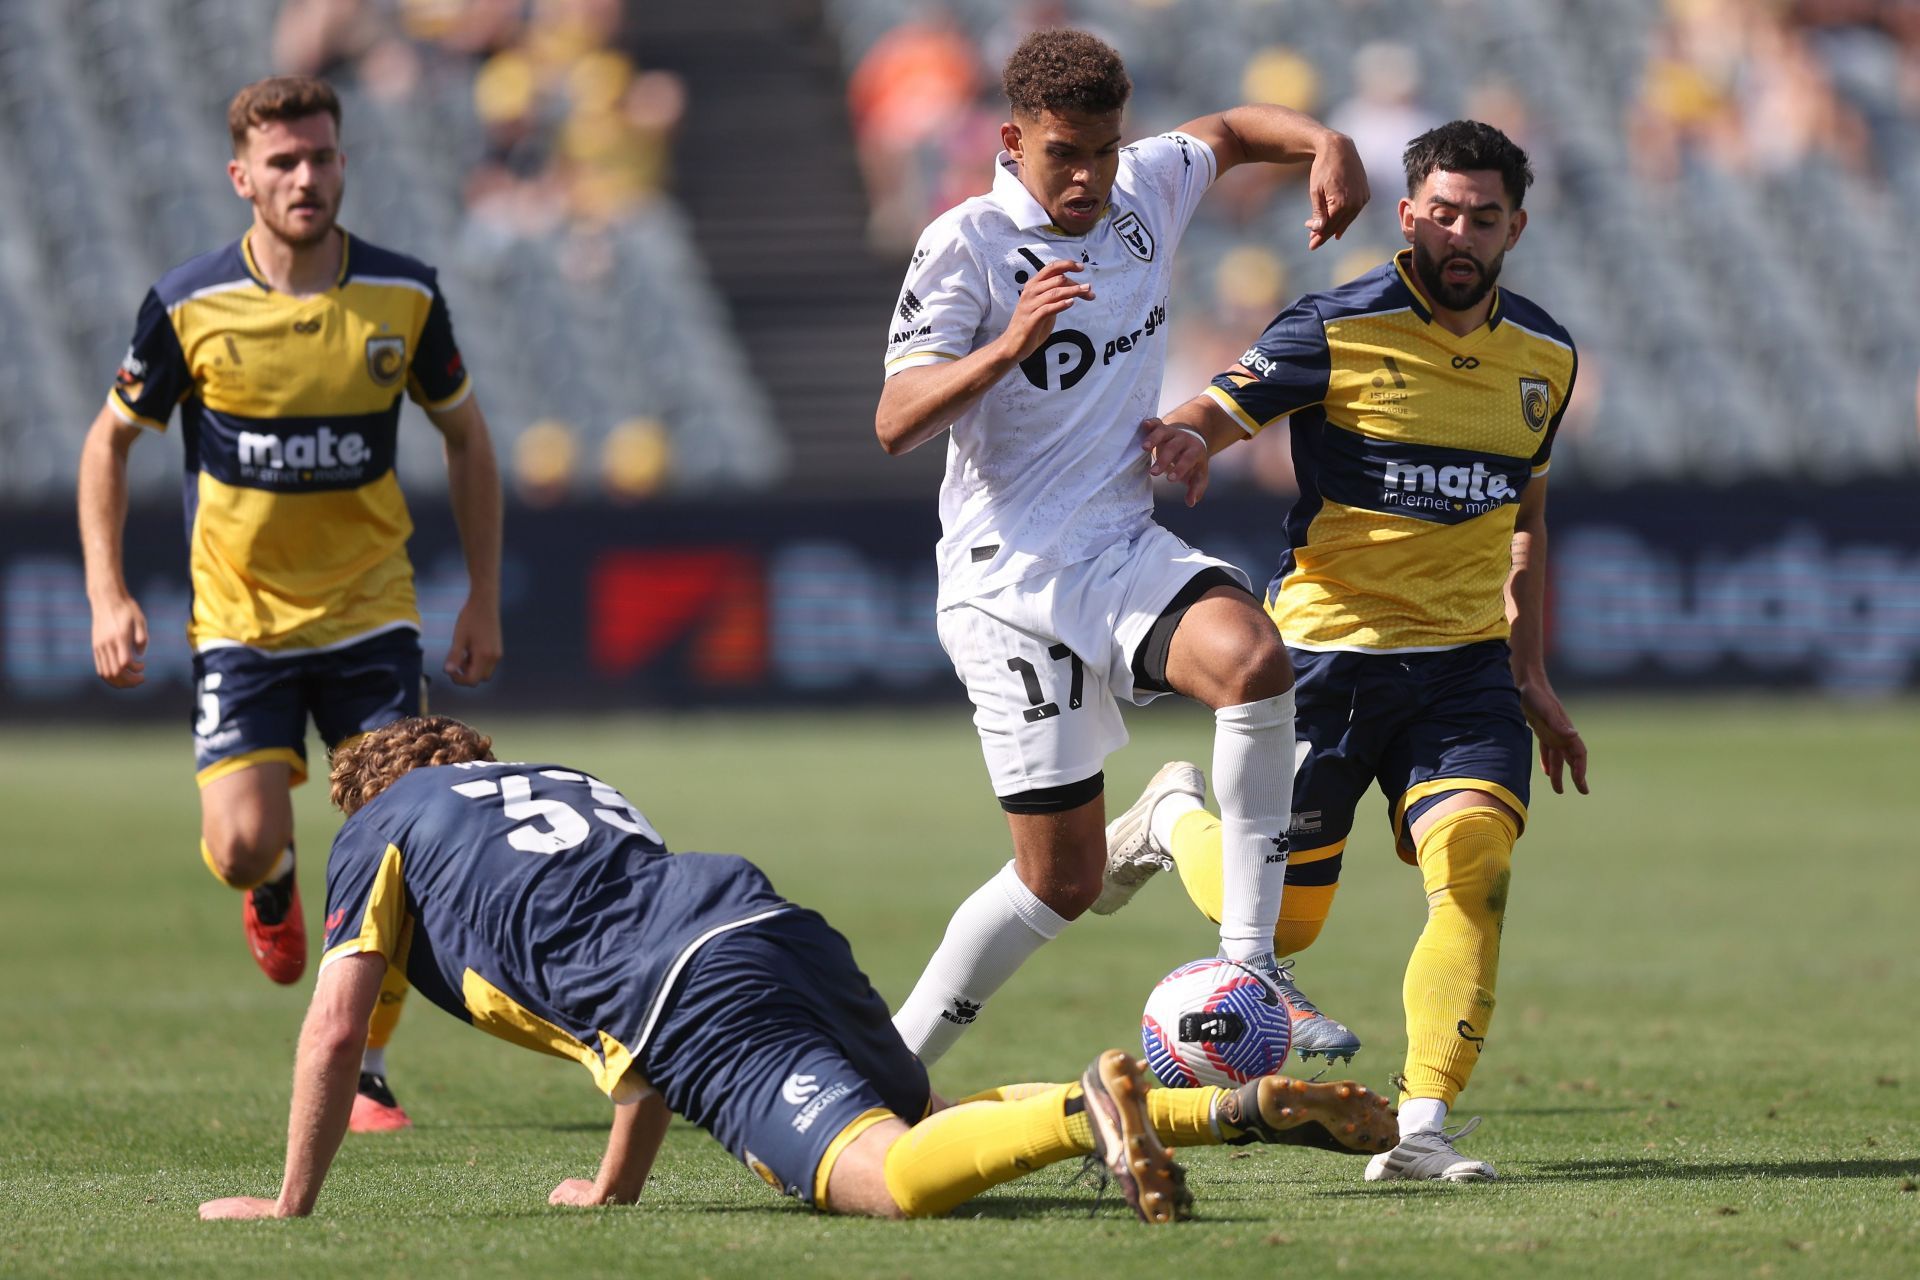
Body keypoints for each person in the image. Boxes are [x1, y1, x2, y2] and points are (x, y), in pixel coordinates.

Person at [196, 715, 1396, 1223]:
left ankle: (1093, 1112)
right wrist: (615, 1187)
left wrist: (293, 1200)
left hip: (691, 992)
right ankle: (1222, 1106)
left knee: (891, 1180)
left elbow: (336, 1026)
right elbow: (634, 1024)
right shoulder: (564, 782)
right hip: (764, 921)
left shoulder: (379, 827)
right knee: (926, 1115)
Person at [875, 27, 1369, 1068]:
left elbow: (1233, 131)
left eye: (1105, 148)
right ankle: (886, 1065)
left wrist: (1324, 141)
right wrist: (1007, 345)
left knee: (1255, 659)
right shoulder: (964, 244)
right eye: (1066, 153)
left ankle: (1250, 963)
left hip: (1116, 545)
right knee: (1058, 881)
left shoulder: (1144, 185)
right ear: (1013, 140)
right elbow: (895, 419)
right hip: (1005, 581)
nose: (1091, 175)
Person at [1122, 120, 1589, 1181]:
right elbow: (1220, 405)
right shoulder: (1334, 327)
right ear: (1409, 212)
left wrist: (1530, 670)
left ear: (1516, 224)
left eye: (1484, 216)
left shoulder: (1546, 358)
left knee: (1473, 868)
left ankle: (1421, 1125)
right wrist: (1189, 434)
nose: (1461, 232)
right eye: (1441, 211)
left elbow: (1528, 515)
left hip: (1464, 669)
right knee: (1284, 920)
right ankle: (1171, 816)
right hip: (1328, 662)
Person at [77, 76, 503, 1132]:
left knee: (402, 844)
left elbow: (467, 436)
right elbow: (109, 441)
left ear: (344, 163)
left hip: (370, 617)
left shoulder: (403, 296)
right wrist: (107, 591)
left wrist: (483, 594)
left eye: (320, 156)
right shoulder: (188, 304)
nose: (304, 177)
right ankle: (271, 888)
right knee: (238, 843)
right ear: (242, 178)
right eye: (282, 162)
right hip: (241, 623)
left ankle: (363, 1067)